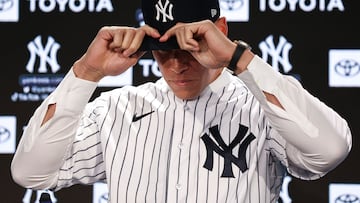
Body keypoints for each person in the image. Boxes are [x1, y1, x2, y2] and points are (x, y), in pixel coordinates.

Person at [11, 0, 352, 202]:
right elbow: (31, 173)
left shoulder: (262, 105)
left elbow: (330, 150)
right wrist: (86, 71)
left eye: (189, 46)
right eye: (163, 50)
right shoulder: (116, 109)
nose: (175, 64)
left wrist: (237, 58)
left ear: (219, 30)